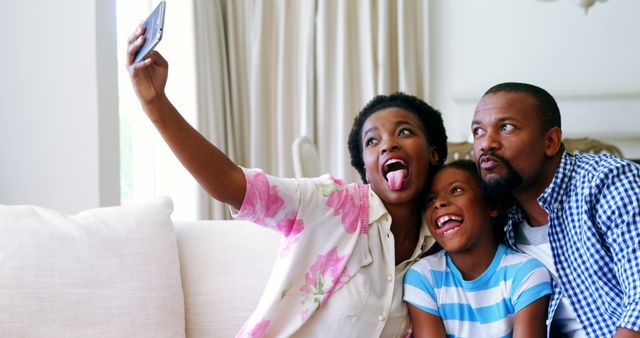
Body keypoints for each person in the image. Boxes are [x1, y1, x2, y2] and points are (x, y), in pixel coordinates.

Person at [126, 25, 449, 337]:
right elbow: (229, 183)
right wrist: (155, 103)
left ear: (433, 153)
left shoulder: (438, 246)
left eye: (404, 132)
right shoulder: (330, 203)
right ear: (364, 168)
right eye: (372, 141)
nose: (388, 145)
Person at [471, 82, 640, 338]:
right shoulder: (494, 217)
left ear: (550, 141)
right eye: (478, 131)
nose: (487, 144)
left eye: (506, 127)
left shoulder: (608, 182)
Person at [403, 160, 551, 337]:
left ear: (492, 206)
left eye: (456, 190)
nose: (439, 203)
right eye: (430, 199)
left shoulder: (526, 273)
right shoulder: (423, 277)